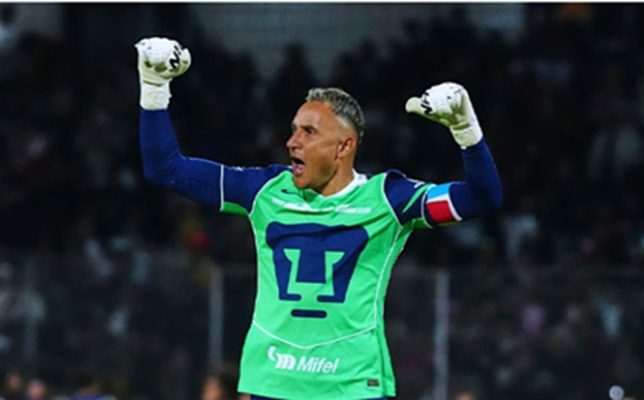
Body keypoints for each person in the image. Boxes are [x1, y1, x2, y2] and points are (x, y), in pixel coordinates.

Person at [135, 37, 502, 400]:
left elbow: (481, 197)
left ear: (344, 146)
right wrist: (154, 87)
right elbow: (165, 168)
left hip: (352, 387)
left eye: (308, 132)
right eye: (294, 129)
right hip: (273, 384)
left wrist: (466, 130)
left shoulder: (390, 199)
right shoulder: (263, 190)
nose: (292, 142)